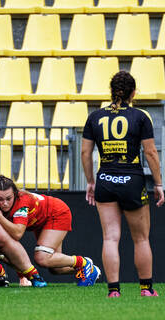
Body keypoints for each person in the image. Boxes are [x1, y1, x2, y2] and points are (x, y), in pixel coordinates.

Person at [81, 71, 164, 298]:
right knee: (141, 238)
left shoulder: (95, 117)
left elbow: (85, 152)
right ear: (133, 93)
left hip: (105, 179)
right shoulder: (140, 117)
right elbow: (150, 152)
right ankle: (146, 289)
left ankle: (114, 291)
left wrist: (90, 181)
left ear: (111, 92)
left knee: (110, 237)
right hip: (132, 179)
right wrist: (158, 184)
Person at [0, 175, 100, 286]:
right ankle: (89, 269)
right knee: (56, 268)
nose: (5, 203)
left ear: (15, 194)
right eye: (0, 199)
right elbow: (11, 250)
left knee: (42, 258)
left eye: (8, 198)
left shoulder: (21, 204)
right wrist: (22, 275)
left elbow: (17, 234)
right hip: (42, 221)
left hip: (57, 213)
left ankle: (85, 263)